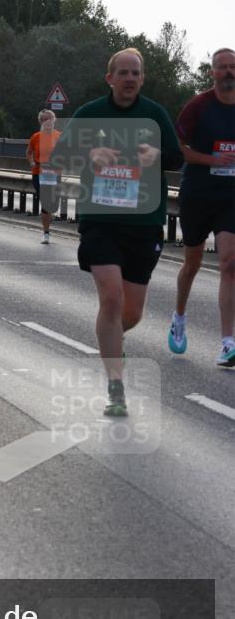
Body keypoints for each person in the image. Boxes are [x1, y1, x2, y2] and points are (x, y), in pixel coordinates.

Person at [51, 47, 184, 416]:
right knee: (110, 298)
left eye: (135, 73)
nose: (129, 79)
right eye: (122, 73)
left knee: (132, 312)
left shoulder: (154, 115)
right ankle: (115, 386)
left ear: (142, 79)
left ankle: (114, 339)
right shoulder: (90, 114)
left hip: (143, 223)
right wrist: (88, 155)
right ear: (109, 78)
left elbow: (176, 158)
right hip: (101, 220)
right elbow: (60, 158)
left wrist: (155, 156)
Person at [168, 47, 235, 367]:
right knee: (192, 264)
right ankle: (179, 316)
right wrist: (212, 159)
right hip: (197, 194)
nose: (228, 72)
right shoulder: (198, 106)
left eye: (233, 67)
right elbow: (178, 147)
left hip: (230, 197)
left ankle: (227, 342)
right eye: (222, 68)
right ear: (212, 73)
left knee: (230, 263)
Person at [25, 108, 63, 243]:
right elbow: (28, 153)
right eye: (44, 119)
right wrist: (31, 162)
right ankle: (46, 233)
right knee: (46, 203)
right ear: (41, 122)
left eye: (50, 118)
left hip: (55, 174)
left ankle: (49, 214)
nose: (48, 121)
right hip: (39, 174)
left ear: (54, 120)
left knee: (53, 205)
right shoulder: (36, 137)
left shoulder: (60, 136)